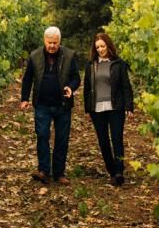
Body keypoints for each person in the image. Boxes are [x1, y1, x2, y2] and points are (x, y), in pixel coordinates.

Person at [20, 26, 80, 185]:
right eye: (49, 42)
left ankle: (59, 173)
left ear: (59, 42)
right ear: (44, 40)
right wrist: (24, 99)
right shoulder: (35, 56)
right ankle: (44, 171)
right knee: (42, 135)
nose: (52, 46)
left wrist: (71, 87)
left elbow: (76, 78)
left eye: (55, 43)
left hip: (63, 105)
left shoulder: (69, 55)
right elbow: (28, 79)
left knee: (62, 138)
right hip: (42, 104)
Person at [83, 32, 134, 186]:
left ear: (108, 46)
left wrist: (129, 106)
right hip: (97, 109)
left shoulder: (119, 64)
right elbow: (87, 88)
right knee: (103, 141)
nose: (100, 49)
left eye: (102, 46)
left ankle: (119, 171)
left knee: (117, 139)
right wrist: (88, 109)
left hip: (115, 107)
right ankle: (111, 171)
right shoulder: (91, 66)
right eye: (97, 47)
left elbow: (126, 86)